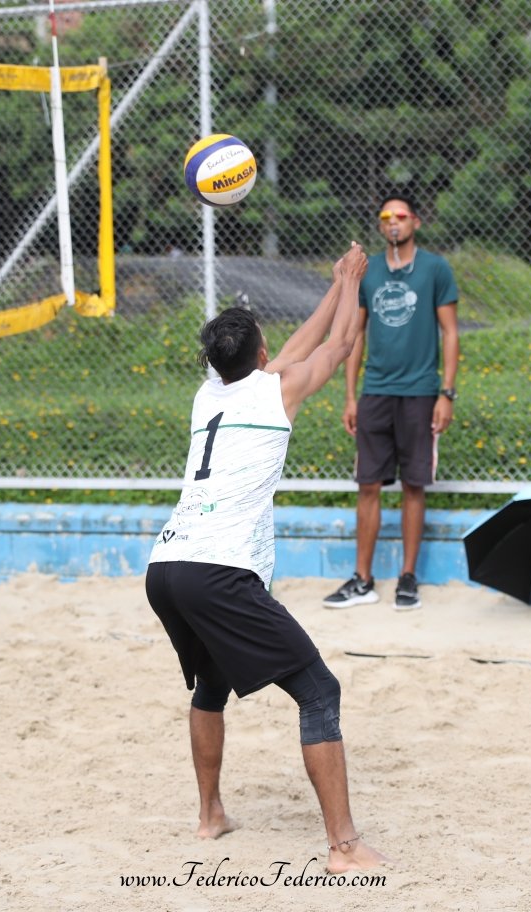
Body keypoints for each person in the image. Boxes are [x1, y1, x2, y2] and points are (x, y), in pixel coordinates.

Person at [145, 241, 388, 874]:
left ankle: (210, 816)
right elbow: (337, 345)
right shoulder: (277, 391)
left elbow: (298, 347)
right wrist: (352, 283)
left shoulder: (210, 394)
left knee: (211, 684)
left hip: (166, 567)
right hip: (218, 572)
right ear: (259, 355)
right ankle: (344, 847)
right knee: (319, 690)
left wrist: (334, 284)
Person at [323, 194, 460, 611]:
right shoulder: (371, 272)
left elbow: (450, 333)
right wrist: (351, 396)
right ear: (381, 225)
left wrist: (446, 394)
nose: (393, 222)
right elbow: (355, 335)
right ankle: (362, 579)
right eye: (386, 216)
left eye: (400, 215)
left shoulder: (435, 269)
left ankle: (407, 578)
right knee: (368, 484)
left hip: (420, 392)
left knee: (413, 485)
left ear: (415, 221)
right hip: (376, 392)